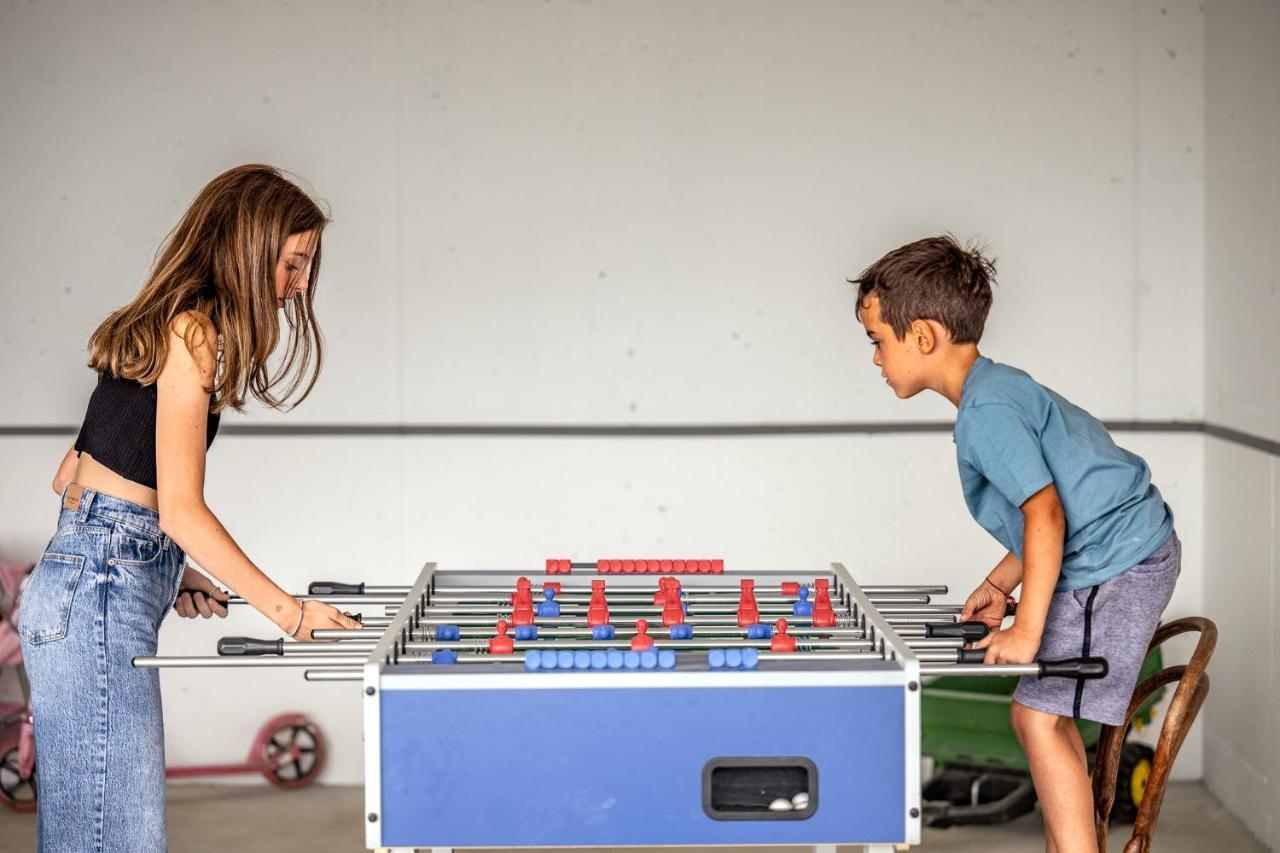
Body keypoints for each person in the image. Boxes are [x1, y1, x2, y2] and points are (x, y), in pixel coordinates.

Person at [19, 164, 361, 852]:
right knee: (116, 841)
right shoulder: (193, 333)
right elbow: (180, 509)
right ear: (250, 246)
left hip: (80, 587)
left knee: (93, 835)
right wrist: (286, 611)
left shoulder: (159, 326)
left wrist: (165, 568)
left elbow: (75, 482)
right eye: (292, 264)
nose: (297, 285)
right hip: (95, 599)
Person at [851, 235, 1179, 852]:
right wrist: (1002, 584)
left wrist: (1026, 630)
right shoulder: (993, 390)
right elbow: (1056, 511)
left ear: (922, 336)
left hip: (1120, 561)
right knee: (1036, 716)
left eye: (877, 340)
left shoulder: (986, 413)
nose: (874, 358)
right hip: (1116, 548)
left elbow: (1048, 516)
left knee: (1036, 715)